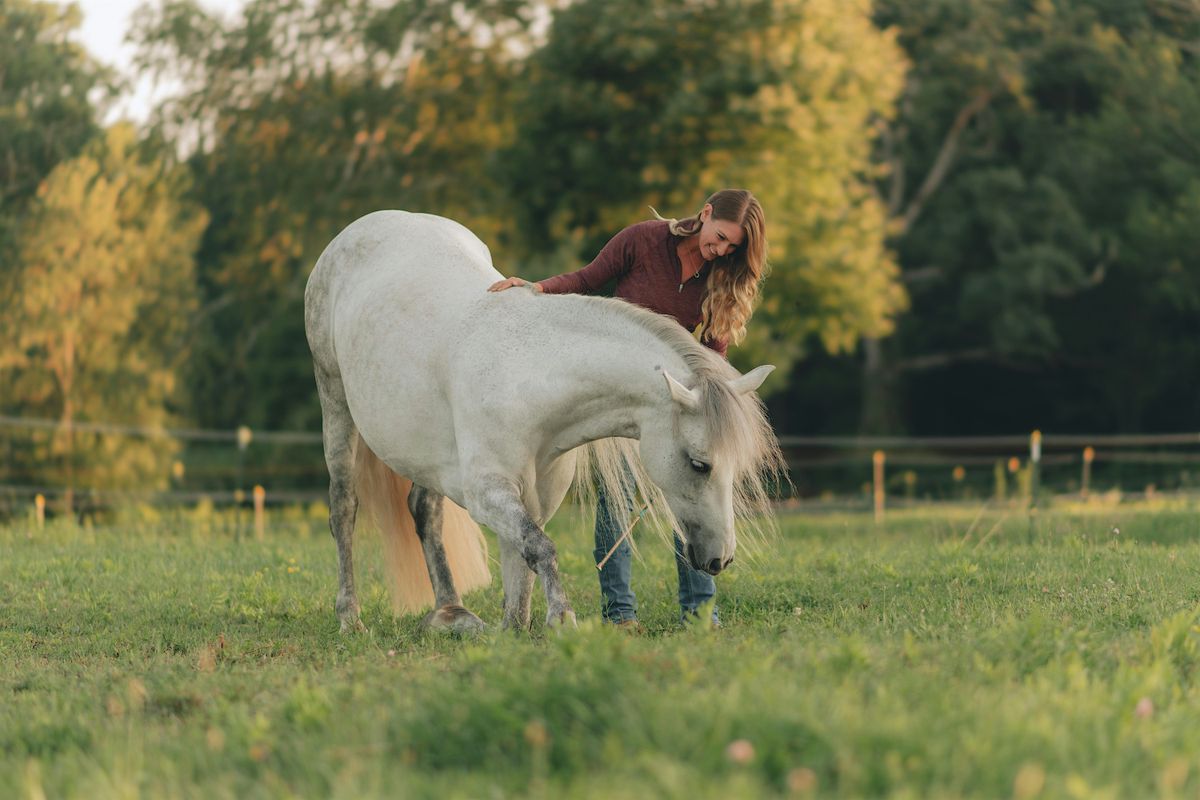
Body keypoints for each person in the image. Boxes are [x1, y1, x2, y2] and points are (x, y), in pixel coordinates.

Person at [487, 188, 768, 628]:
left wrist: (708, 415)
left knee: (691, 496)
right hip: (622, 399)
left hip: (675, 405)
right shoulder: (641, 242)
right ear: (706, 213)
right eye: (721, 237)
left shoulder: (721, 278)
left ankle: (699, 613)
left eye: (733, 247)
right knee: (614, 510)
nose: (723, 249)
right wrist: (535, 287)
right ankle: (620, 614)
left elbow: (712, 357)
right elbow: (586, 280)